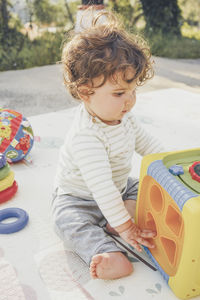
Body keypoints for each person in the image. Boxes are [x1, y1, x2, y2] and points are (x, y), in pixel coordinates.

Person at [52, 10, 164, 280]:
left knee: (148, 186)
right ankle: (105, 252)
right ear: (85, 92)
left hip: (119, 186)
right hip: (79, 200)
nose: (130, 100)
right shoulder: (86, 136)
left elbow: (148, 145)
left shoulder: (122, 115)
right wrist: (127, 228)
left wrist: (171, 162)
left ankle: (117, 215)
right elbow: (101, 188)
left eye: (133, 90)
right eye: (119, 93)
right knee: (69, 223)